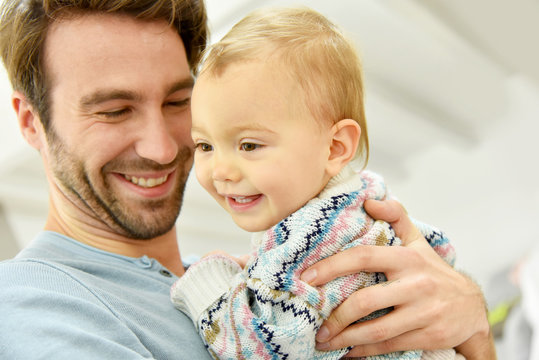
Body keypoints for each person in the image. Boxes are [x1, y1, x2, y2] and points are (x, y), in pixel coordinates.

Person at [0, 0, 495, 359]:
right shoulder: (29, 306)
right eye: (113, 110)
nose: (163, 147)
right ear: (29, 122)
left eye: (178, 103)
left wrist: (471, 324)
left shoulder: (251, 271)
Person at [169, 7, 462, 360]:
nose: (221, 171)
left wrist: (208, 281)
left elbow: (257, 350)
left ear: (335, 148)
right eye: (205, 145)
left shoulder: (302, 241)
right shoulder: (365, 197)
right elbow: (439, 251)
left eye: (249, 145)